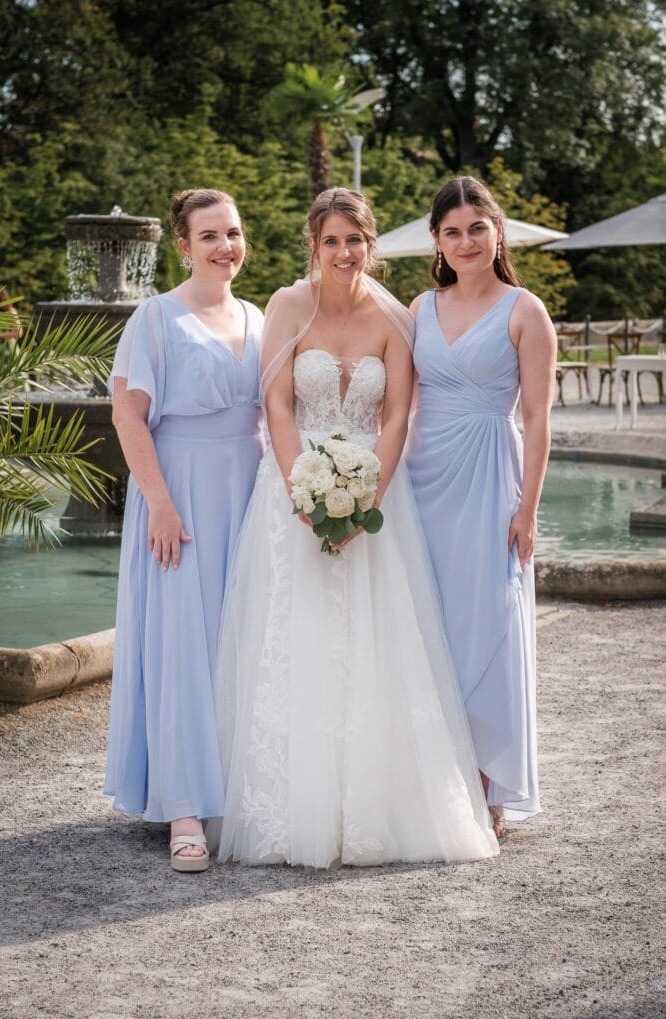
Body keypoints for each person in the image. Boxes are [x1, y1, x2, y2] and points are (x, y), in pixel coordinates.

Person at [211, 188, 499, 868]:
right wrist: (305, 496)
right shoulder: (286, 305)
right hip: (291, 493)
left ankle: (376, 809)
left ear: (370, 245)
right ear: (313, 244)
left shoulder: (395, 317)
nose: (344, 253)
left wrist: (360, 494)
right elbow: (276, 407)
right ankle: (287, 808)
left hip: (376, 498)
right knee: (295, 639)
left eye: (355, 241)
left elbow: (397, 416)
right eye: (331, 241)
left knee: (374, 643)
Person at [103, 188, 264, 871]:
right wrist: (161, 504)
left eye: (232, 232)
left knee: (241, 640)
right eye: (209, 236)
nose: (224, 246)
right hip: (180, 496)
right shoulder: (154, 317)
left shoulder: (260, 316)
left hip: (249, 495)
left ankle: (238, 788)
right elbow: (128, 417)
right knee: (181, 646)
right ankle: (183, 808)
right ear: (183, 245)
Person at [406, 176, 557, 838]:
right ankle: (437, 777)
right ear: (435, 241)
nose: (465, 241)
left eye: (475, 227)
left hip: (490, 475)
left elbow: (538, 415)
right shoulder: (417, 307)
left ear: (496, 231)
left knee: (488, 622)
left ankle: (491, 786)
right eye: (450, 231)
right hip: (421, 478)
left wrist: (527, 507)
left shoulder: (525, 309)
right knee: (430, 625)